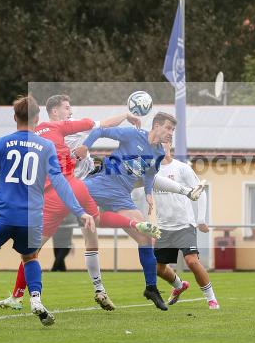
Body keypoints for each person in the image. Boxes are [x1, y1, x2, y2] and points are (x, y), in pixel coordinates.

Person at [0, 94, 163, 312]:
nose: (71, 111)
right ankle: (98, 288)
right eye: (67, 107)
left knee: (58, 244)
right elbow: (102, 124)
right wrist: (127, 114)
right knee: (77, 237)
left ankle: (97, 290)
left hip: (72, 191)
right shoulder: (65, 129)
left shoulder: (39, 134)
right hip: (74, 190)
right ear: (54, 111)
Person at [0, 96, 95, 331]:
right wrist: (79, 212)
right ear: (37, 118)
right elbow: (60, 182)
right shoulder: (47, 146)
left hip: (3, 214)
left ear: (14, 117)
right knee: (30, 258)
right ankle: (36, 300)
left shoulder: (1, 143)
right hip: (30, 217)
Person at [79, 111, 186, 310]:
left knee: (146, 238)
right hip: (101, 184)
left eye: (173, 129)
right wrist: (85, 146)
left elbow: (150, 174)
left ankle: (151, 288)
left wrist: (148, 192)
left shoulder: (159, 152)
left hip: (121, 195)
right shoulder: (133, 134)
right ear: (156, 126)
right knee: (66, 199)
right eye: (168, 128)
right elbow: (100, 130)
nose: (171, 133)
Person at [153, 143, 219, 309]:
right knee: (157, 268)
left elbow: (200, 191)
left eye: (164, 142)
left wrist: (201, 219)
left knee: (192, 261)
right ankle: (179, 285)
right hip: (164, 227)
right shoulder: (150, 170)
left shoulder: (182, 168)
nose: (161, 145)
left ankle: (211, 298)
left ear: (169, 145)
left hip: (184, 225)